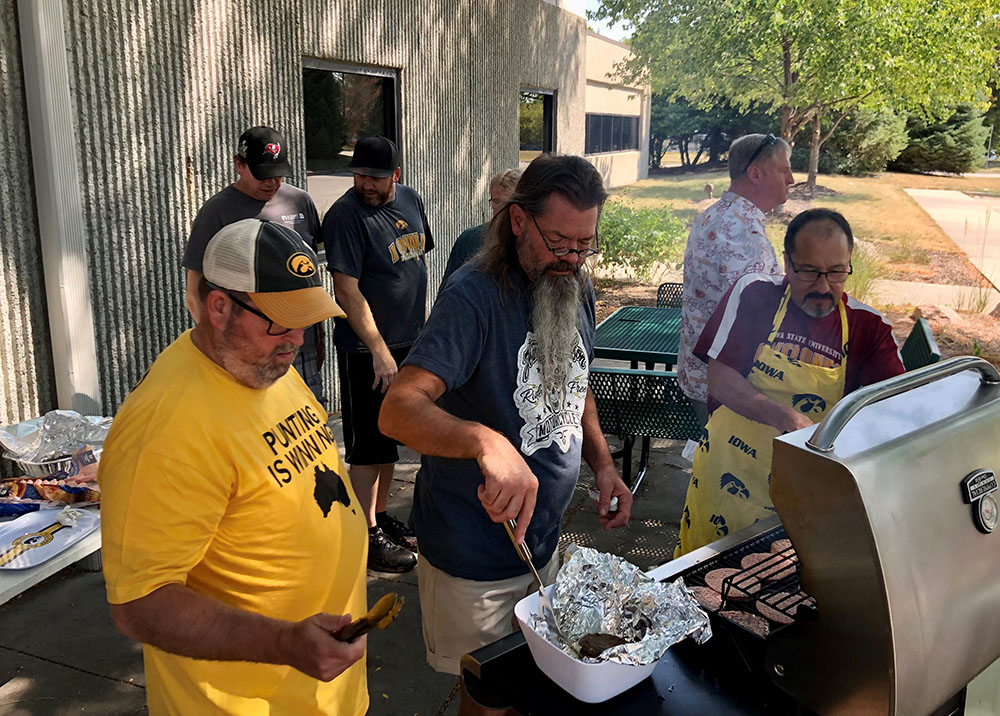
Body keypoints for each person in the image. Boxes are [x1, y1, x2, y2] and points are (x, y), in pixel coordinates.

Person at [379, 154, 633, 716]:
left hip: (541, 542)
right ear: (518, 220)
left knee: (530, 686)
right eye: (559, 241)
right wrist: (486, 442)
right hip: (473, 552)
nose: (572, 258)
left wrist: (603, 463)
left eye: (584, 244)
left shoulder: (573, 283)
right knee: (488, 700)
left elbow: (575, 376)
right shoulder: (473, 296)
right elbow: (398, 410)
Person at [100, 219, 369, 715]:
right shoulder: (167, 425)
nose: (297, 340)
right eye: (280, 321)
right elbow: (140, 604)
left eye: (305, 320)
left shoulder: (262, 364)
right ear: (219, 306)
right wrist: (286, 644)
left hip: (323, 693)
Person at [676, 208, 904, 556]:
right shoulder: (754, 295)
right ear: (787, 262)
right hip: (730, 470)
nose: (824, 287)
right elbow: (719, 378)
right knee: (707, 569)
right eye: (809, 272)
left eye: (837, 272)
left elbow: (893, 412)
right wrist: (780, 415)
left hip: (807, 487)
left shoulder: (869, 328)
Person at [322, 135, 433, 573]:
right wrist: (379, 350)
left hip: (408, 341)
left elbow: (415, 260)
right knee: (367, 446)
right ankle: (362, 534)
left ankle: (380, 515)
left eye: (376, 177)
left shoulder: (410, 199)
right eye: (360, 175)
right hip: (367, 351)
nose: (366, 184)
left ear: (396, 176)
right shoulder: (345, 217)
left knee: (388, 439)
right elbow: (346, 289)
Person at [182, 125, 328, 404]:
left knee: (306, 416)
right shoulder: (218, 211)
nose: (272, 183)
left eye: (278, 174)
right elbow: (194, 290)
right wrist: (218, 348)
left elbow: (312, 268)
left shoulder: (299, 201)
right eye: (263, 174)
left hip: (300, 341)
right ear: (239, 164)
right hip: (248, 347)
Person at [678, 133, 793, 428]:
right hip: (730, 390)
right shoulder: (743, 237)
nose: (791, 179)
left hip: (700, 378)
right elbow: (761, 322)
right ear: (755, 174)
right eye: (784, 170)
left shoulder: (712, 215)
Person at [441, 168, 522, 286]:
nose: (502, 209)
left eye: (508, 202)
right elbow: (447, 289)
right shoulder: (469, 239)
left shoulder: (530, 244)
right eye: (497, 201)